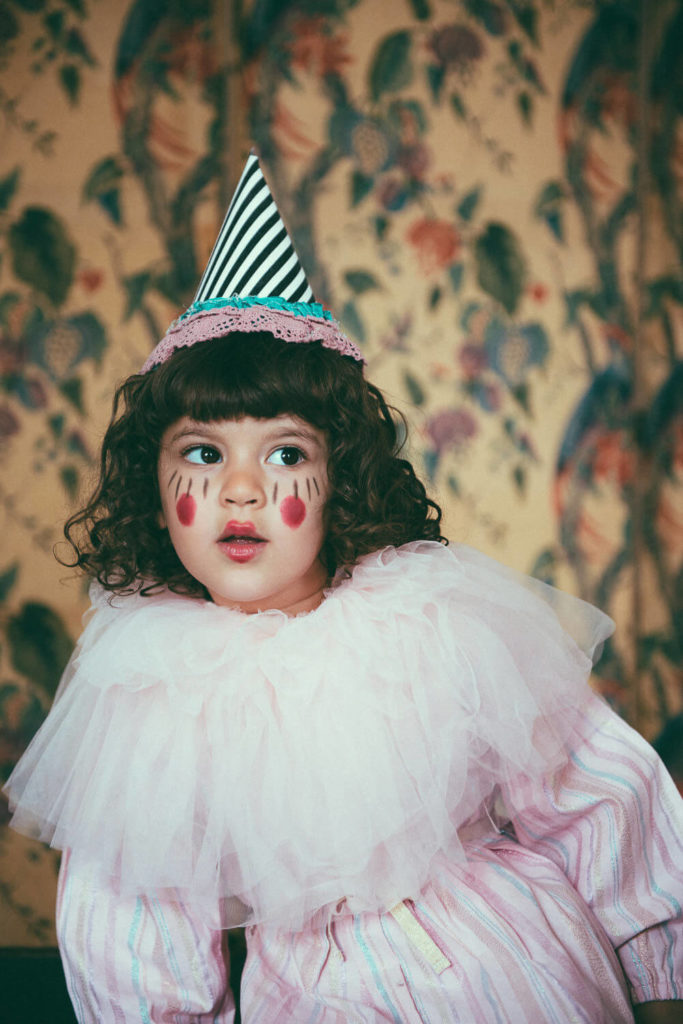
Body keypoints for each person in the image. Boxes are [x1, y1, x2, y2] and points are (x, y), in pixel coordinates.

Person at [4, 155, 682, 1024]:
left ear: (339, 482)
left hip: (528, 976)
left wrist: (660, 978)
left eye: (284, 453)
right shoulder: (150, 699)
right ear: (156, 489)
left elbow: (596, 791)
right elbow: (133, 938)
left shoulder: (432, 622)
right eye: (203, 454)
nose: (241, 490)